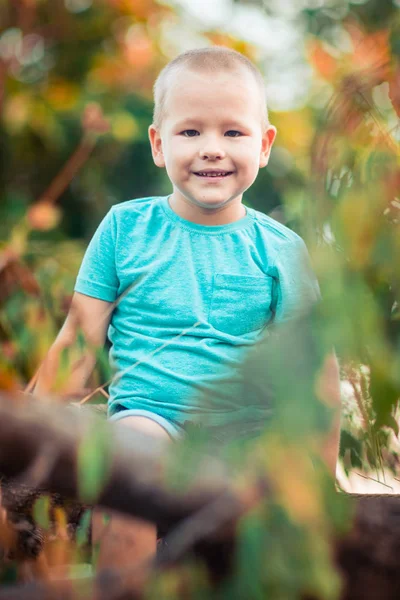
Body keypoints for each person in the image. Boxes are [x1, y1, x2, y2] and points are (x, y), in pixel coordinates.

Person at [33, 46, 341, 571]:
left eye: (233, 132)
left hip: (248, 434)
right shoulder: (124, 229)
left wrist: (323, 475)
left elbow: (314, 368)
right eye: (191, 132)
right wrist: (23, 438)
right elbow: (79, 341)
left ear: (265, 145)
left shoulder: (280, 248)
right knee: (123, 457)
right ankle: (122, 584)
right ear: (158, 144)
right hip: (151, 420)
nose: (212, 149)